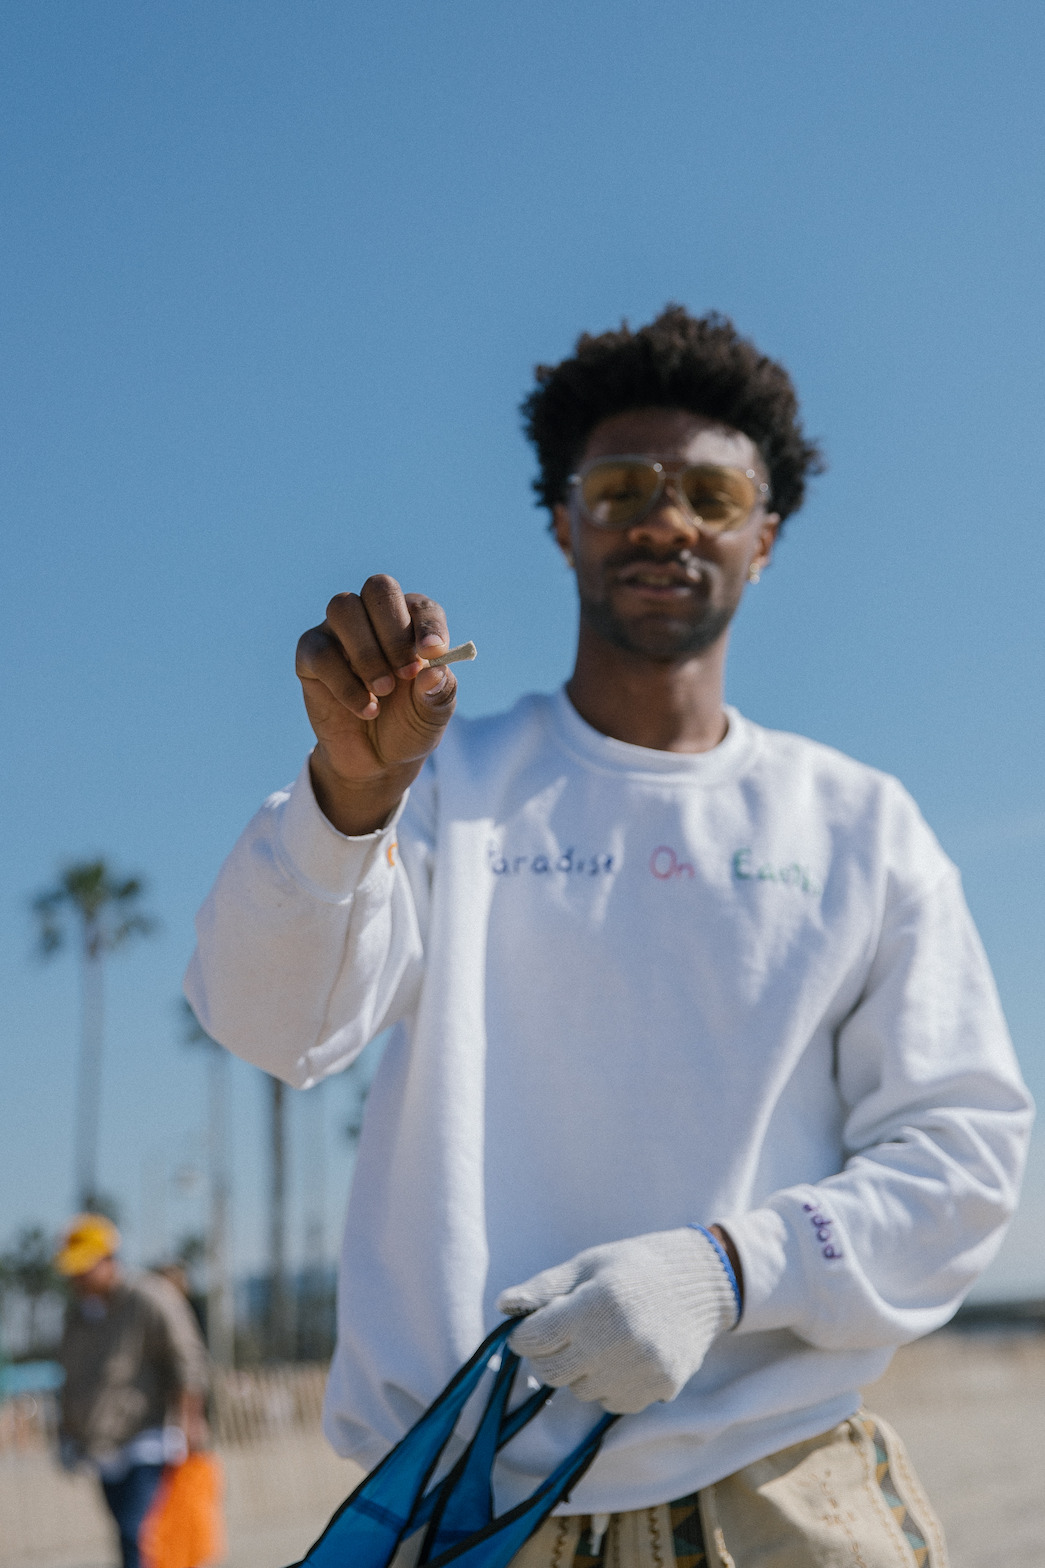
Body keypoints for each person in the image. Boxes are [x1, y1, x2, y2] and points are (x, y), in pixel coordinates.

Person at [186, 307, 1032, 1566]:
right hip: (465, 1507)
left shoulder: (860, 824)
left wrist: (728, 1270)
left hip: (778, 1493)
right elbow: (270, 1023)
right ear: (562, 518)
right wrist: (346, 802)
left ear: (766, 532)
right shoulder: (445, 786)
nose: (666, 518)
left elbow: (962, 1159)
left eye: (711, 489)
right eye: (622, 485)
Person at [54, 1214, 210, 1568]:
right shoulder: (77, 1314)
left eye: (84, 1268)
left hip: (150, 1439)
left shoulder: (150, 1298)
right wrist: (66, 1433)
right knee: (125, 1536)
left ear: (108, 1259)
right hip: (102, 1446)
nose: (76, 1278)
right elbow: (71, 1377)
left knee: (138, 1533)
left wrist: (190, 1426)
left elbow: (188, 1362)